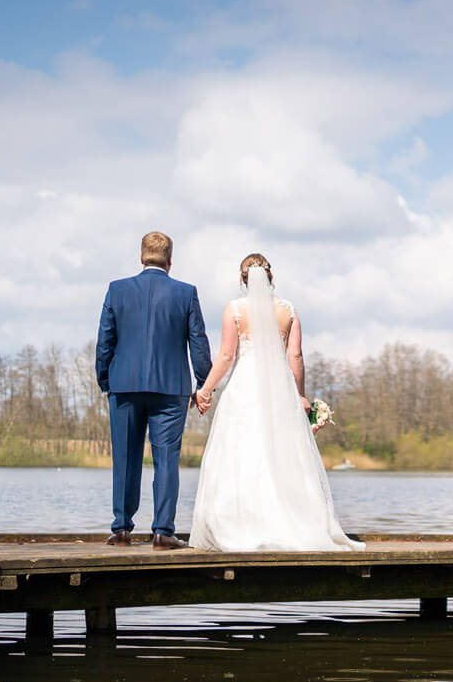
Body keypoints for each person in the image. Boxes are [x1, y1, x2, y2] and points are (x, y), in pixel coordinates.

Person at [189, 254, 362, 552]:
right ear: (270, 277)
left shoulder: (235, 309)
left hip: (245, 386)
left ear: (243, 279)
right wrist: (300, 395)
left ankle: (240, 522)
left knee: (242, 452)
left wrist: (205, 390)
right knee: (282, 453)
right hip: (280, 387)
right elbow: (295, 356)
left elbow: (227, 356)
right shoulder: (289, 310)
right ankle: (291, 520)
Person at [95, 231, 212, 549]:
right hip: (170, 388)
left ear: (141, 256)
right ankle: (163, 531)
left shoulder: (116, 290)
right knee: (166, 460)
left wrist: (105, 380)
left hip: (124, 386)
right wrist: (203, 383)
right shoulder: (186, 293)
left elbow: (106, 339)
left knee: (125, 458)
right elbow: (198, 342)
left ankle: (121, 529)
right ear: (170, 260)